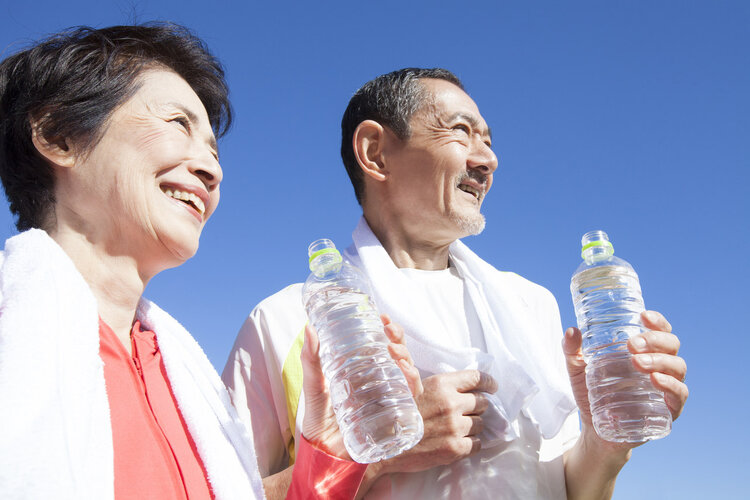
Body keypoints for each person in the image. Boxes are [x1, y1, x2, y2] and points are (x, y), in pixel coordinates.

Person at [223, 68, 689, 499]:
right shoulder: (287, 322)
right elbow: (212, 487)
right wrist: (374, 457)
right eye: (462, 132)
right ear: (375, 151)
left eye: (488, 140)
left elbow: (569, 487)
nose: (488, 160)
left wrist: (605, 444)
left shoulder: (530, 306)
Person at [0, 25, 421, 500]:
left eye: (214, 152)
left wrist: (328, 451)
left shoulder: (177, 372)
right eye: (178, 123)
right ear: (58, 136)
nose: (211, 170)